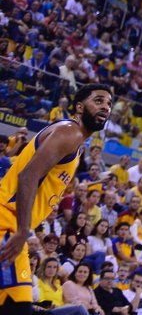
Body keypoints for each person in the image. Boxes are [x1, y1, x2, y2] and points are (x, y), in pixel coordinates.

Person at [0, 84, 113, 315]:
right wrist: (23, 230)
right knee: (17, 308)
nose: (106, 107)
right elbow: (28, 176)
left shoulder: (76, 143)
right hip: (6, 223)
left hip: (12, 224)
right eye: (99, 100)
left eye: (109, 104)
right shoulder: (69, 132)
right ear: (79, 107)